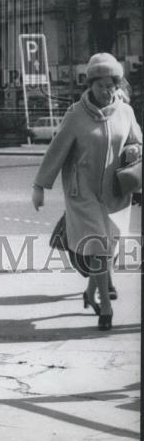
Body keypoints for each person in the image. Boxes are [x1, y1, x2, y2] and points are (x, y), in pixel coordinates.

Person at [32, 52, 142, 330]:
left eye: (112, 86)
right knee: (99, 247)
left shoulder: (125, 112)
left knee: (107, 251)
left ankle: (91, 292)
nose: (108, 91)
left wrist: (133, 150)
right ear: (90, 85)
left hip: (116, 193)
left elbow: (139, 145)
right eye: (102, 86)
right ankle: (106, 308)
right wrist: (40, 186)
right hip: (83, 194)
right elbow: (55, 151)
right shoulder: (76, 114)